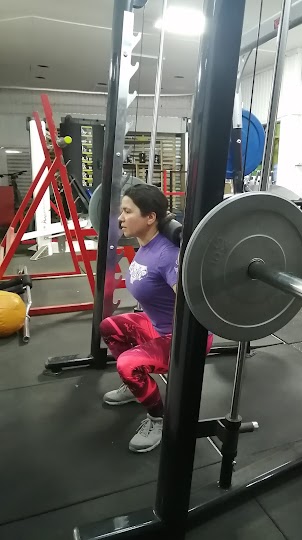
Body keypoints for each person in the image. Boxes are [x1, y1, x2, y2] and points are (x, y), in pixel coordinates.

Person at [100, 184, 213, 453]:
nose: (121, 218)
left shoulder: (167, 255)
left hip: (182, 338)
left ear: (150, 217)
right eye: (122, 211)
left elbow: (193, 307)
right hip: (158, 328)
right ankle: (135, 385)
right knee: (109, 326)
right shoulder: (146, 246)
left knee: (127, 364)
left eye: (128, 211)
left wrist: (182, 347)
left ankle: (158, 419)